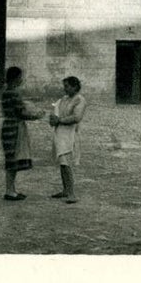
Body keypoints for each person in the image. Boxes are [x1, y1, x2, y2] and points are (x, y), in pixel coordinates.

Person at [0, 66, 45, 200]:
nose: (22, 79)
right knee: (13, 160)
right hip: (15, 127)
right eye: (20, 77)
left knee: (10, 159)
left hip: (8, 125)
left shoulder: (5, 91)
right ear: (16, 78)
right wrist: (37, 115)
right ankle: (10, 191)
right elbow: (22, 113)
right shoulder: (14, 93)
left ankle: (11, 189)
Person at [49, 75, 88, 204]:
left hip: (71, 134)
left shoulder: (79, 100)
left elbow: (76, 117)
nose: (65, 89)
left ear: (75, 87)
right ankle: (66, 190)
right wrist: (53, 119)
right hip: (60, 133)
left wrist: (59, 120)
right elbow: (55, 114)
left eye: (67, 86)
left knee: (67, 164)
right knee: (62, 163)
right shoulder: (63, 100)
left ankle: (71, 193)